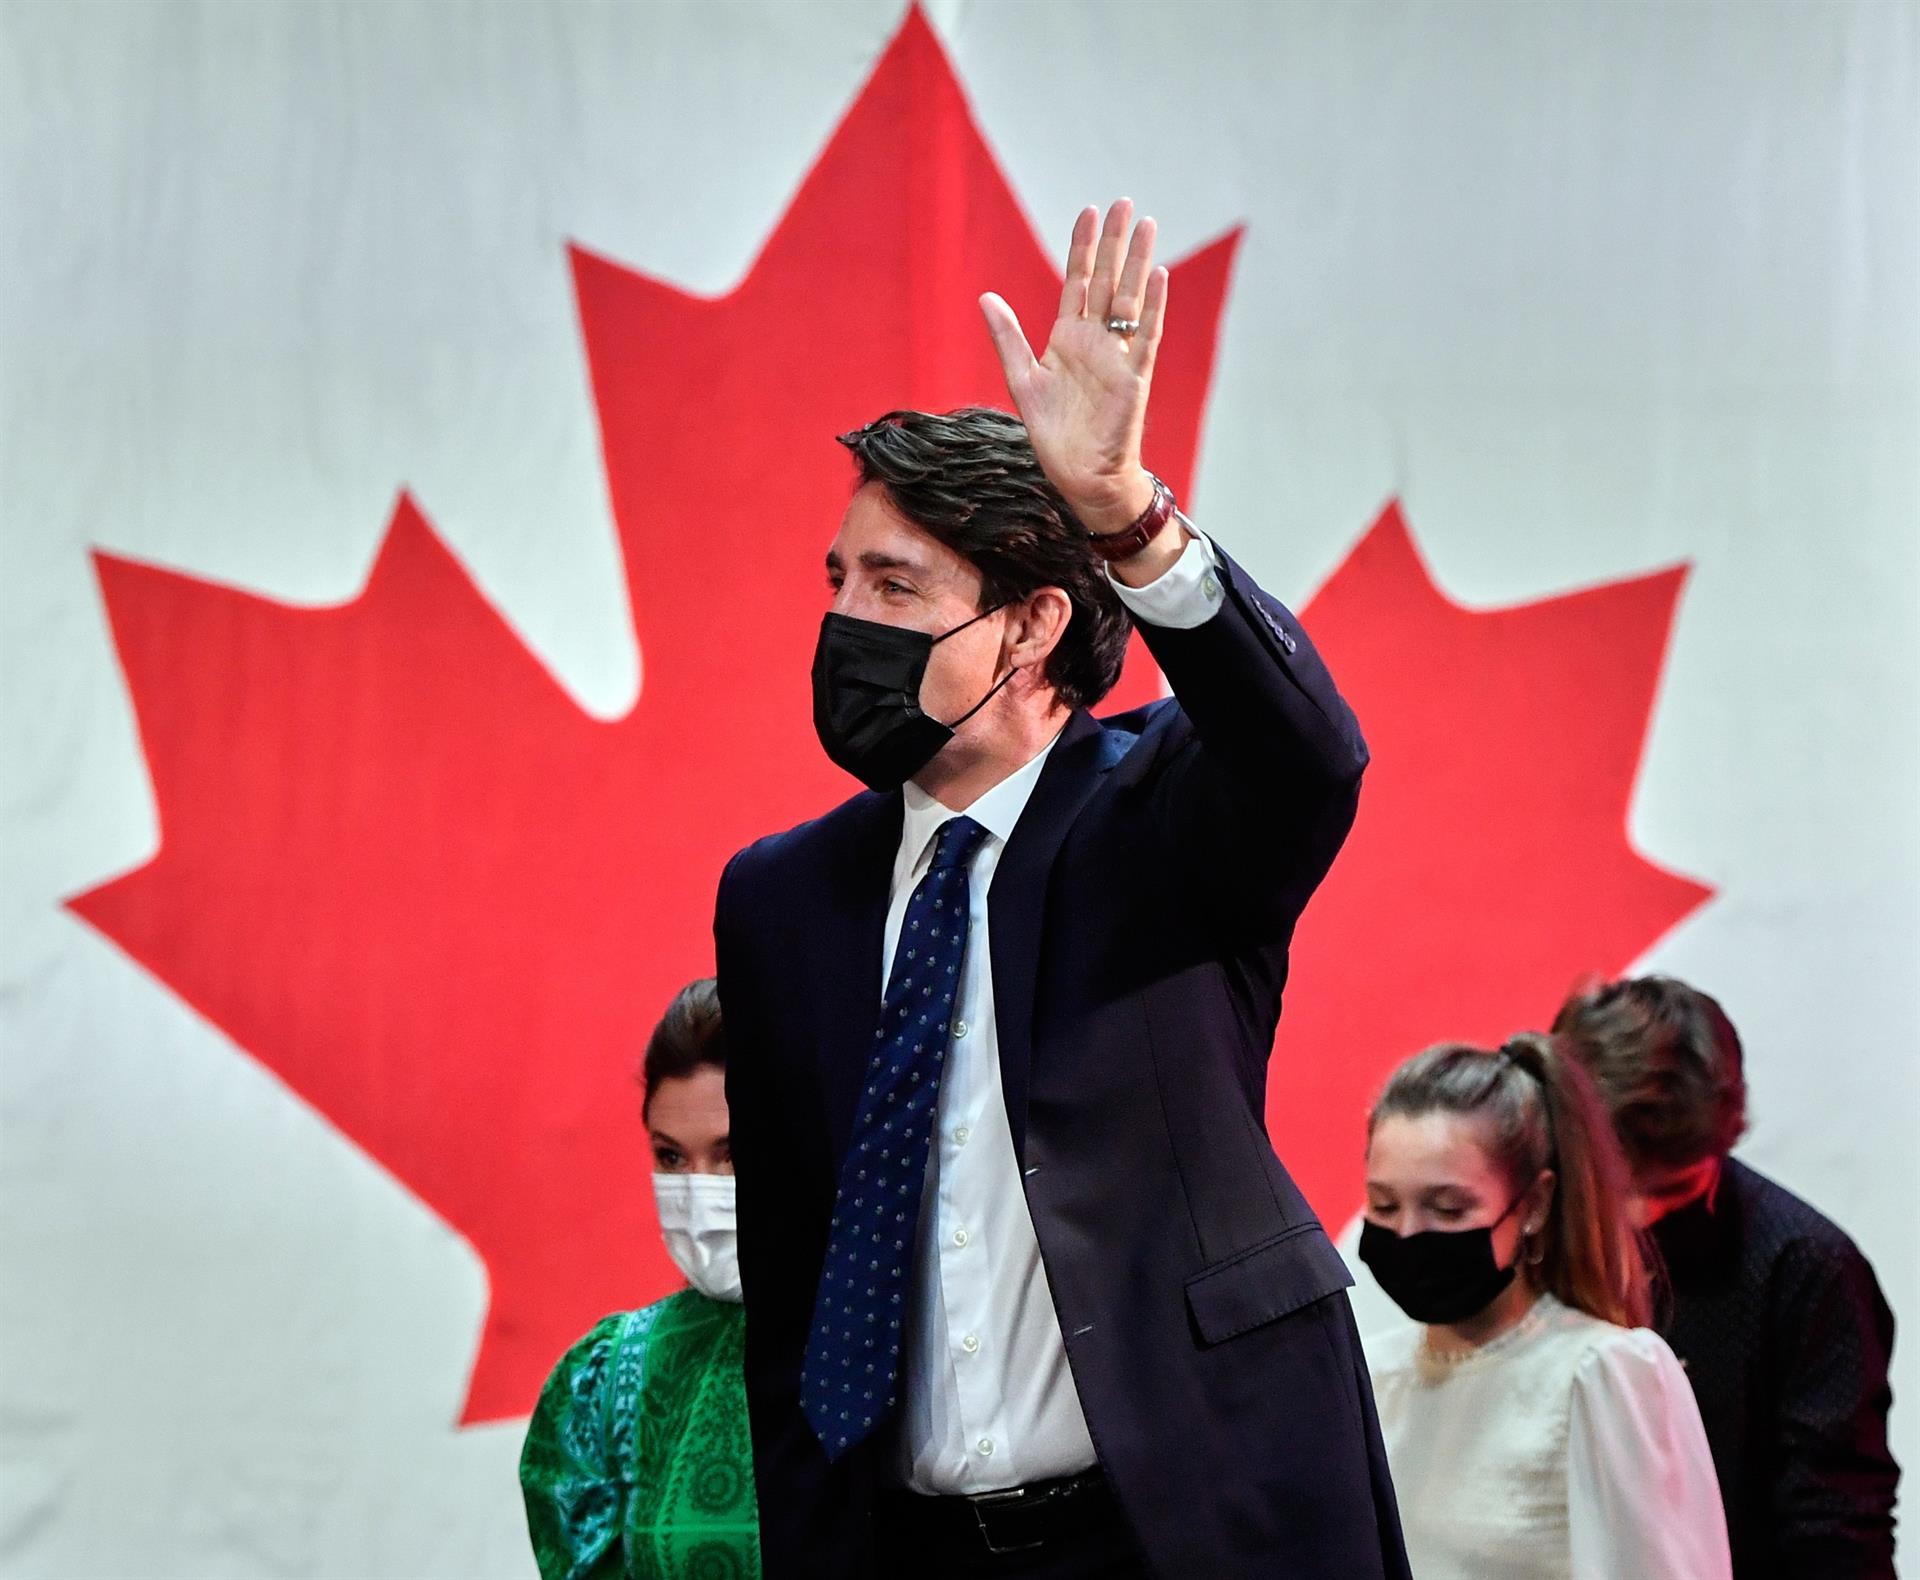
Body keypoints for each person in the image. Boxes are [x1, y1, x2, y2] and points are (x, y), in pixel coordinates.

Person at [713, 199, 1408, 1578]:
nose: (846, 620)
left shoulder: (1164, 812)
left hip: (1187, 1531)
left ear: (1032, 622)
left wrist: (1127, 518)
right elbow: (795, 1283)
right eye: (839, 580)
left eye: (897, 587)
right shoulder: (781, 897)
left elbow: (1310, 753)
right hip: (912, 1549)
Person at [1554, 975, 1900, 1578]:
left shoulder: (1807, 1268)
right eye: (1611, 1187)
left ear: (1727, 1132)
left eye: (1675, 1191)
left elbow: (1835, 1528)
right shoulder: (1529, 1227)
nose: (1640, 1217)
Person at [1359, 1034, 1731, 1580]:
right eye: (1384, 1205)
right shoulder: (1368, 1377)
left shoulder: (1601, 1376)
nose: (1408, 1233)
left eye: (1448, 1209)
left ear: (1533, 1204)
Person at [519, 978, 760, 1579]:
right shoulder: (605, 1381)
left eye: (732, 1152)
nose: (699, 1190)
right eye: (671, 1156)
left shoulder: (889, 1354)